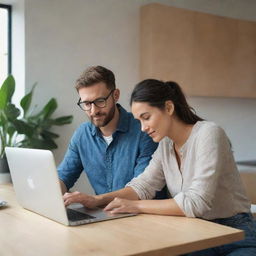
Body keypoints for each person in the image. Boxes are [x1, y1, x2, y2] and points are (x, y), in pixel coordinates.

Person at [64, 79, 256, 255]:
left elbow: (195, 203)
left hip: (235, 233)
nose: (143, 128)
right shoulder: (165, 145)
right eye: (139, 121)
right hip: (195, 233)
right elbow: (142, 186)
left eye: (146, 117)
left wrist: (135, 205)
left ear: (169, 107)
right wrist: (96, 200)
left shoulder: (209, 133)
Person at [57, 66, 160, 198]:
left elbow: (141, 190)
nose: (93, 111)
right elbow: (64, 176)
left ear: (115, 95)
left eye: (100, 101)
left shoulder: (144, 130)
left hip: (143, 215)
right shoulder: (82, 135)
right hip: (106, 215)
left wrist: (95, 200)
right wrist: (52, 192)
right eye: (87, 104)